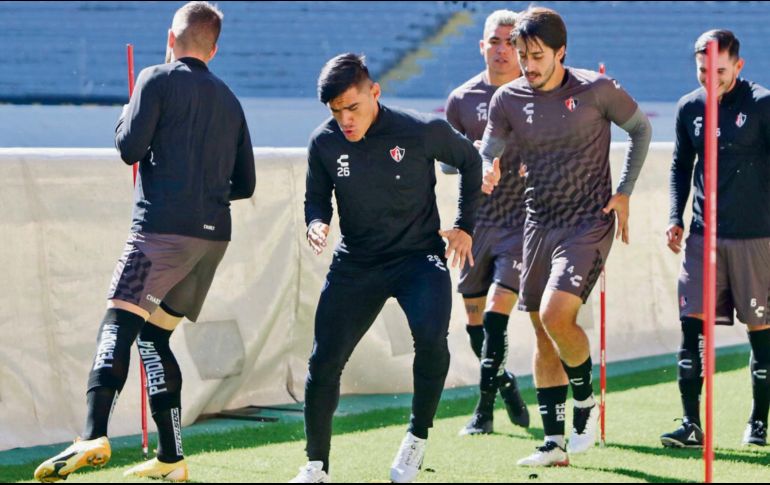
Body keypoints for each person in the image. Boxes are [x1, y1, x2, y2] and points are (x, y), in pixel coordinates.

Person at [33, 2, 255, 481]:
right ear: (213, 49)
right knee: (154, 338)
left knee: (118, 320)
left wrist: (128, 112)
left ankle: (93, 433)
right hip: (212, 239)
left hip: (160, 233)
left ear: (170, 39)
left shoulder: (155, 78)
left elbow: (129, 148)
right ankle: (172, 460)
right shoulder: (231, 99)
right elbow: (246, 183)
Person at [290, 53, 481, 484]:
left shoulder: (420, 130)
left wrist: (466, 225)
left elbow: (470, 160)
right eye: (336, 112)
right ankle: (316, 466)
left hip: (418, 258)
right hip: (358, 261)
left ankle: (417, 436)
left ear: (374, 93)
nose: (345, 120)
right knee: (324, 362)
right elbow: (316, 199)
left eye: (352, 107)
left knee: (432, 338)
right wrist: (317, 223)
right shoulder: (323, 143)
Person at [480, 6, 651, 466]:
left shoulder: (597, 90)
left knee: (557, 315)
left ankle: (584, 404)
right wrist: (488, 166)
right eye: (522, 55)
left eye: (537, 56)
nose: (528, 66)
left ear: (561, 52)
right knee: (540, 330)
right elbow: (490, 146)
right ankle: (554, 444)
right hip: (537, 222)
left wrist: (625, 192)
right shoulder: (507, 99)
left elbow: (640, 129)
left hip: (588, 221)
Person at [661, 29, 770, 449]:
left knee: (760, 330)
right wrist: (675, 216)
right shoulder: (689, 106)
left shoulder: (762, 104)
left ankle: (758, 422)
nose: (710, 78)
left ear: (738, 66)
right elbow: (678, 168)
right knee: (691, 330)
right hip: (702, 237)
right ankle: (691, 424)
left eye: (719, 71)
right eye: (703, 70)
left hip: (755, 239)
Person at [444, 9, 529, 436]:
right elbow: (443, 167)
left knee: (497, 313)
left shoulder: (536, 96)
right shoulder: (462, 99)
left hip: (521, 225)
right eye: (494, 41)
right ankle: (505, 382)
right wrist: (473, 155)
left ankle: (483, 411)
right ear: (482, 45)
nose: (501, 50)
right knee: (474, 323)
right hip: (476, 226)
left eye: (509, 42)